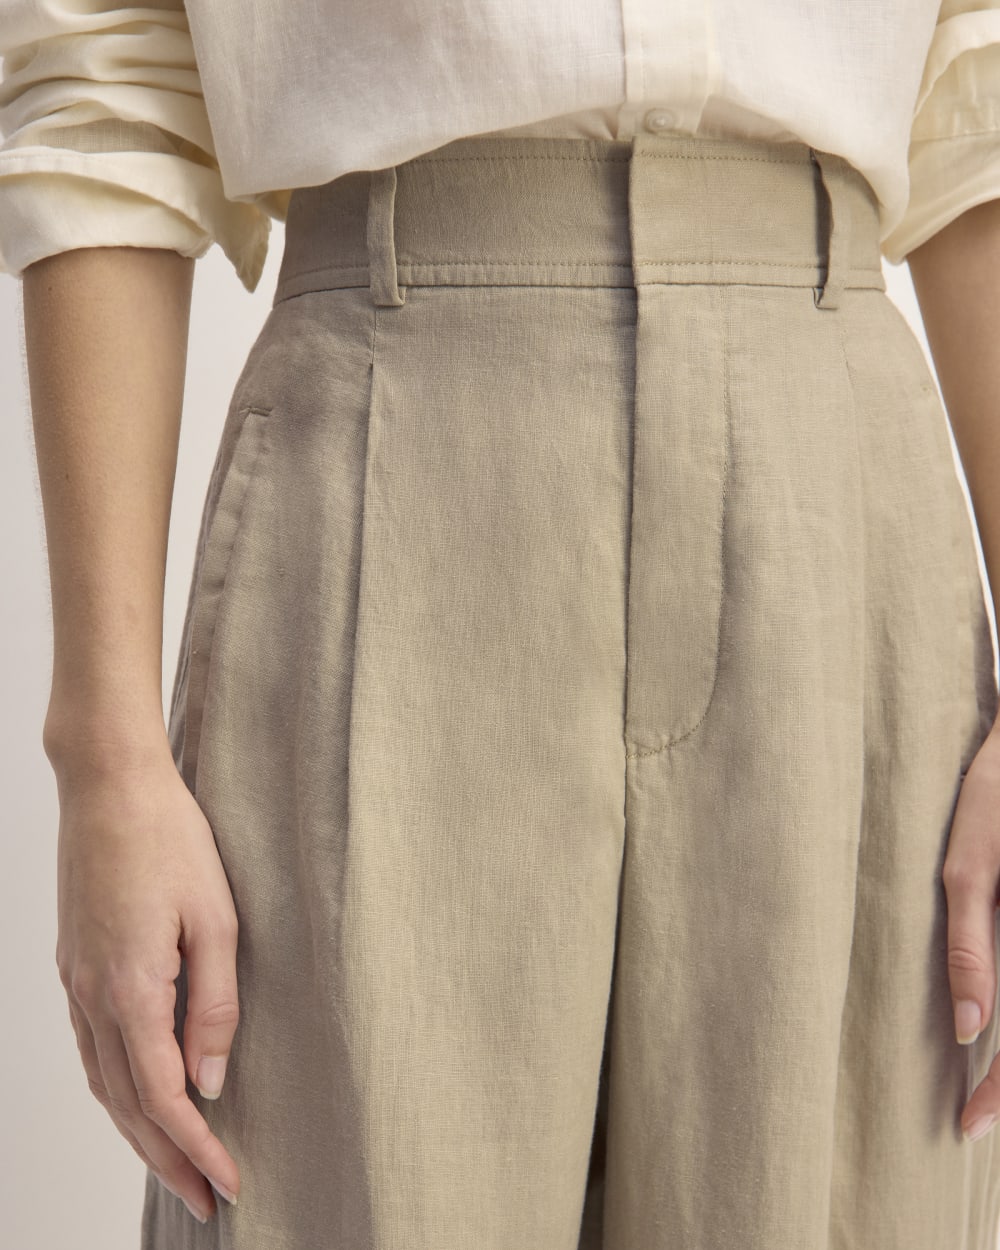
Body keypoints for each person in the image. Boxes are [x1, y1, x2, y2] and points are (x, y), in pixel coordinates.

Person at [2, 2, 1000, 1247]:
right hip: (392, 444)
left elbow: (976, 101)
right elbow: (107, 76)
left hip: (835, 477)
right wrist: (103, 755)